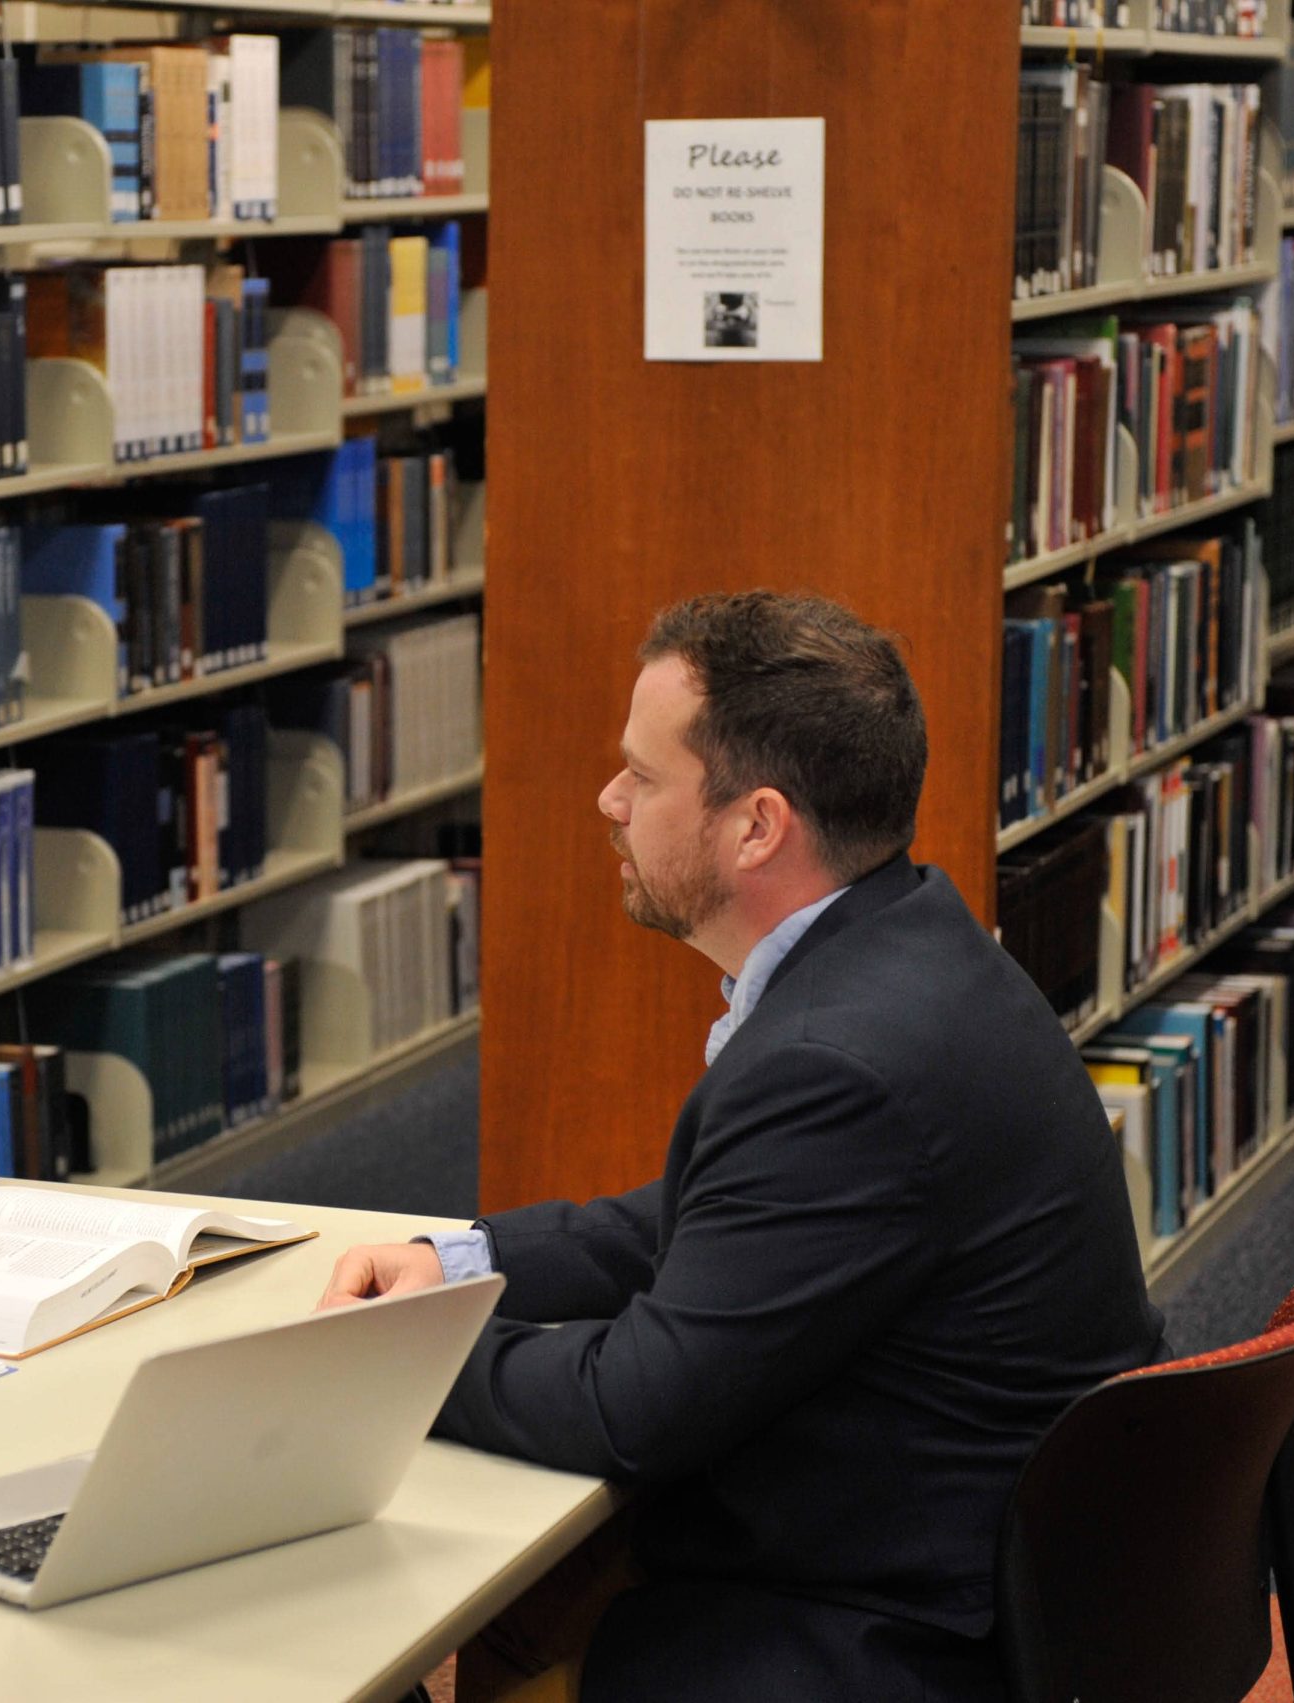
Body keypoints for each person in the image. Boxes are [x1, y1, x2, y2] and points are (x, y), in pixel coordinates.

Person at [322, 591, 1164, 1702]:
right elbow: (699, 1219)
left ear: (756, 824)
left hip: (887, 1625)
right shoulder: (914, 940)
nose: (608, 799)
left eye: (644, 774)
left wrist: (394, 1350)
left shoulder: (837, 1061)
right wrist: (459, 1262)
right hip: (996, 1553)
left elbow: (632, 1410)